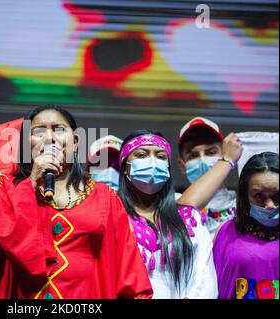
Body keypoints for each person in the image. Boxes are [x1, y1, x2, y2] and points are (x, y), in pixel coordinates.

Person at [0, 105, 153, 299]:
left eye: (59, 129)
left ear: (76, 141)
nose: (49, 138)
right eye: (38, 131)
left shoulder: (105, 197)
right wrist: (30, 184)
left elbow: (129, 269)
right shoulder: (3, 190)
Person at [117, 130, 218, 299]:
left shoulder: (189, 220)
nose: (152, 162)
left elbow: (204, 278)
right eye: (141, 155)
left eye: (161, 156)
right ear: (125, 168)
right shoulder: (112, 217)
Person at [213, 152, 278, 299]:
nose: (270, 205)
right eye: (259, 196)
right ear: (245, 195)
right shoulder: (225, 231)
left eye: (277, 196)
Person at [177, 117, 237, 237]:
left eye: (211, 152)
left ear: (226, 154)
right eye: (193, 155)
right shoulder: (171, 203)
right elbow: (187, 207)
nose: (203, 160)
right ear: (182, 166)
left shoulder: (243, 204)